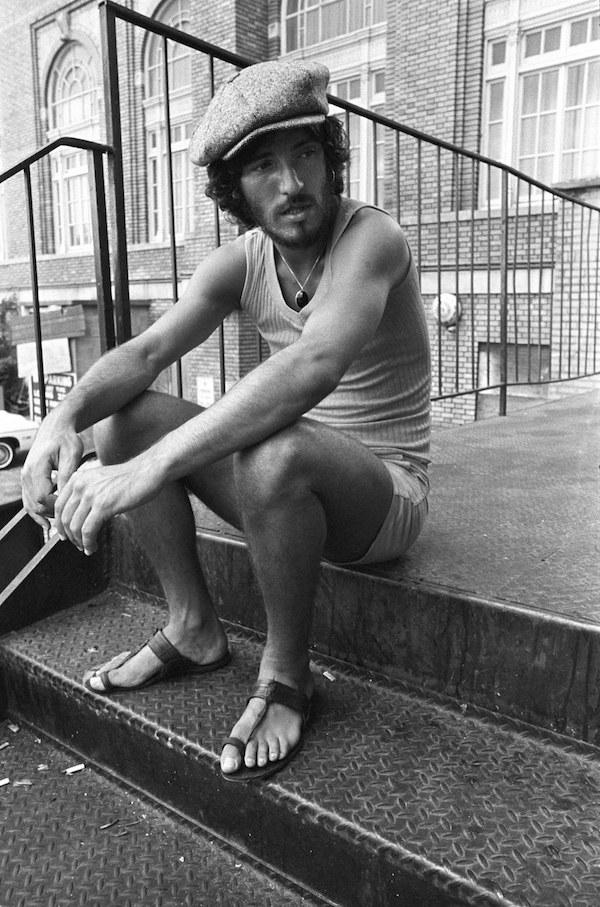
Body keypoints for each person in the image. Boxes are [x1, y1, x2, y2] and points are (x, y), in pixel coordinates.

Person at [21, 60, 431, 782]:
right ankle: (194, 627)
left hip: (381, 497)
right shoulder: (241, 261)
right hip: (283, 494)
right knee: (124, 423)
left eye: (306, 153)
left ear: (330, 158)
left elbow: (312, 366)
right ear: (233, 189)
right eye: (265, 166)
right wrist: (65, 417)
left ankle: (285, 675)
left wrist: (152, 469)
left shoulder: (372, 240)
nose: (294, 183)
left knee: (272, 453)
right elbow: (147, 351)